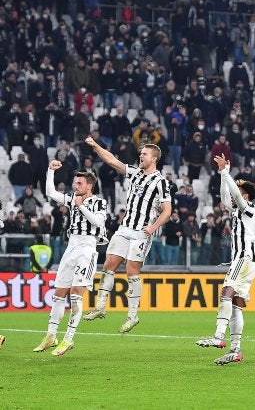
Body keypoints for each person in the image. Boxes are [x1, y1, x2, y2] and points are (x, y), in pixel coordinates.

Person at [82, 136, 172, 333]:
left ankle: (132, 316)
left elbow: (167, 210)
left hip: (141, 232)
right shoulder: (134, 173)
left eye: (145, 154)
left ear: (154, 158)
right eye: (141, 153)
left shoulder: (161, 182)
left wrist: (153, 227)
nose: (141, 156)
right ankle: (100, 307)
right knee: (108, 266)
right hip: (124, 229)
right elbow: (112, 161)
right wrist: (96, 145)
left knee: (132, 272)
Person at [33, 160, 107, 356]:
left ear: (89, 186)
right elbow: (50, 192)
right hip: (71, 246)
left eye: (79, 184)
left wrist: (81, 206)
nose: (76, 186)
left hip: (87, 247)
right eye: (75, 183)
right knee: (59, 294)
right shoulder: (73, 198)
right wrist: (49, 171)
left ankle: (68, 339)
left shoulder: (99, 202)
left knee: (75, 295)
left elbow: (98, 222)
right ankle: (50, 336)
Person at [196, 154, 255, 365]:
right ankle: (235, 350)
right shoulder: (238, 212)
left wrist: (226, 172)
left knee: (226, 292)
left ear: (247, 197)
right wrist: (223, 174)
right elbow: (226, 197)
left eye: (240, 194)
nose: (235, 198)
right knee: (236, 304)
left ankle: (218, 336)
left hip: (244, 257)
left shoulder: (249, 209)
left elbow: (235, 196)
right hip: (251, 260)